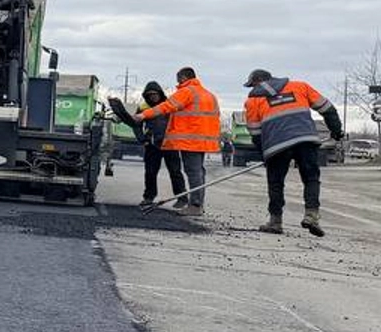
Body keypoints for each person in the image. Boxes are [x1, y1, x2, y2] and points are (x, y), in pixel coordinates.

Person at [243, 69, 345, 236]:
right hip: (306, 139)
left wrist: (264, 154)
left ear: (257, 82)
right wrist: (336, 131)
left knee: (275, 182)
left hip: (276, 144)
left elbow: (255, 133)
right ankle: (311, 215)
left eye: (252, 86)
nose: (252, 89)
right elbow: (328, 109)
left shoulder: (253, 100)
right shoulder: (300, 86)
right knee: (311, 178)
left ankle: (275, 222)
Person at [132, 67, 221, 216]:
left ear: (183, 78)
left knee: (192, 173)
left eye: (178, 79)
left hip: (190, 141)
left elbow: (166, 106)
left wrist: (143, 115)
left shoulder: (187, 92)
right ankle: (197, 203)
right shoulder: (209, 95)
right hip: (204, 141)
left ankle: (195, 205)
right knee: (198, 172)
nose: (177, 83)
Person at [114, 82, 187, 207]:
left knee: (175, 172)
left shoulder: (169, 105)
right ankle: (148, 197)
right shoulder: (143, 107)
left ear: (160, 93)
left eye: (155, 94)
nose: (153, 96)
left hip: (171, 144)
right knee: (150, 172)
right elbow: (136, 125)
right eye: (150, 95)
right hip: (152, 145)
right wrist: (142, 139)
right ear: (146, 96)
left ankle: (182, 198)